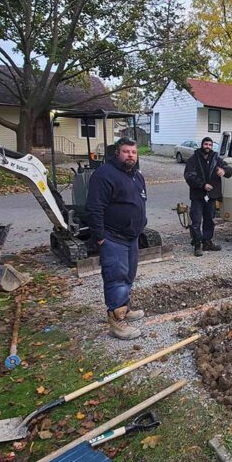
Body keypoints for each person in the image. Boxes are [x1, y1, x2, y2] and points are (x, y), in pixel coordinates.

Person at [85, 138, 147, 340]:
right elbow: (95, 207)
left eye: (134, 152)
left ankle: (124, 308)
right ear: (117, 153)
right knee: (116, 279)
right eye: (126, 151)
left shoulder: (136, 176)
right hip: (113, 237)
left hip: (131, 237)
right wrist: (100, 237)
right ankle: (116, 321)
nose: (130, 155)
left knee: (128, 275)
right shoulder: (105, 174)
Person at [183, 136, 232, 257]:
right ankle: (197, 245)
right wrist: (202, 185)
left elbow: (230, 170)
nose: (208, 147)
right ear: (202, 145)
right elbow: (189, 176)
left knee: (209, 221)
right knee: (196, 221)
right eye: (206, 144)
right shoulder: (193, 159)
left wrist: (224, 171)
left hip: (211, 196)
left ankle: (207, 242)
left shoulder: (216, 158)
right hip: (197, 196)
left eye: (210, 145)